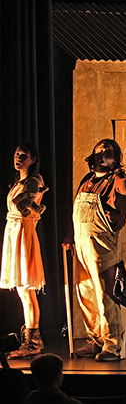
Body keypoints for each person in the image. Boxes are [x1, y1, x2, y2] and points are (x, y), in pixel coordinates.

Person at [72, 139, 126, 361]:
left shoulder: (117, 178)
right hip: (83, 243)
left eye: (108, 151)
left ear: (115, 156)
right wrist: (69, 236)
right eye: (98, 150)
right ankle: (96, 340)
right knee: (87, 294)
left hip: (104, 242)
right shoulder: (88, 180)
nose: (102, 154)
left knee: (107, 294)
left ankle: (113, 346)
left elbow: (124, 187)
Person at [2, 142, 47, 359]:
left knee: (26, 289)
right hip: (14, 232)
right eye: (17, 153)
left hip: (23, 233)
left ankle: (33, 341)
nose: (18, 157)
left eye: (24, 154)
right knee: (22, 290)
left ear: (33, 159)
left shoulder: (33, 181)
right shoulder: (19, 182)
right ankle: (30, 338)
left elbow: (28, 207)